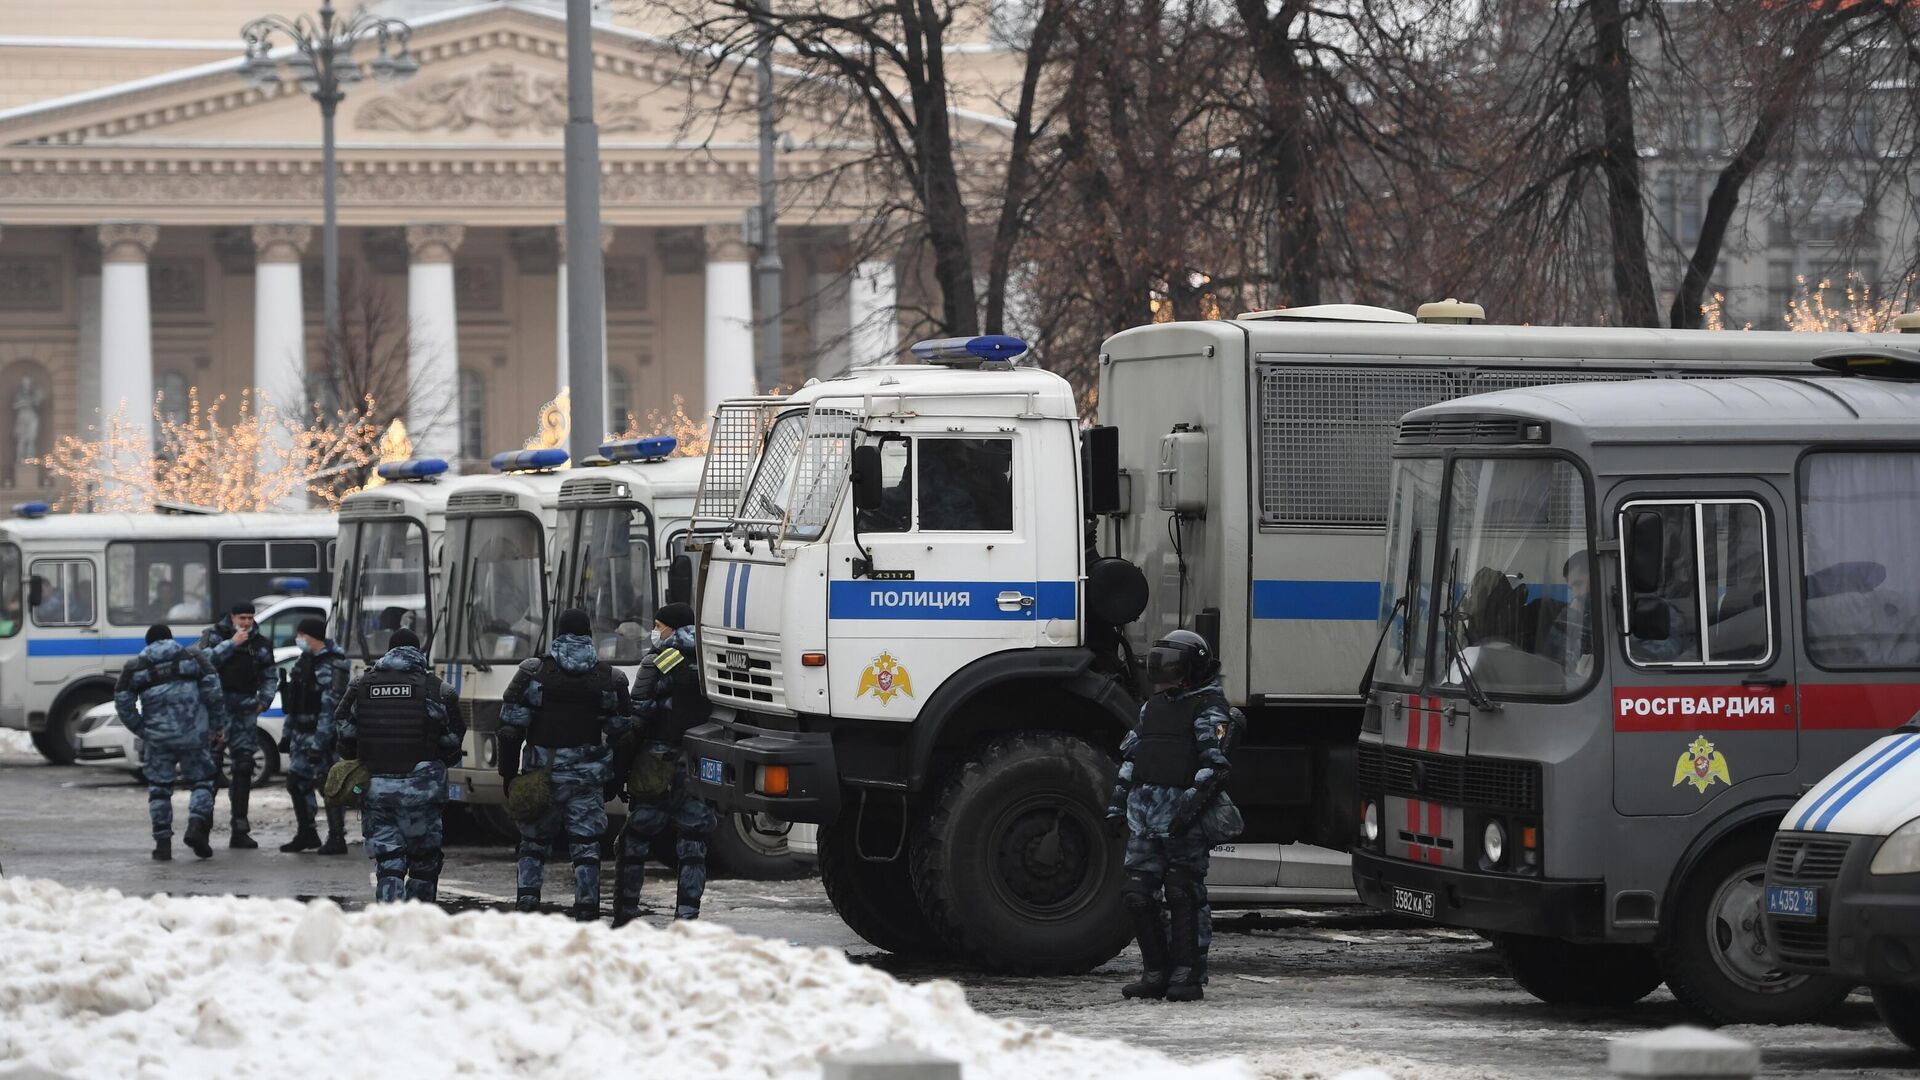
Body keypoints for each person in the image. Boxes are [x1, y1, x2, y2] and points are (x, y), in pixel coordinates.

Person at [1105, 629, 1233, 1003]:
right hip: (1145, 817)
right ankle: (1155, 972)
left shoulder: (1209, 708)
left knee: (1183, 893)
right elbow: (1132, 758)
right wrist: (1117, 803)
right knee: (1137, 895)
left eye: (1172, 668)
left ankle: (1187, 974)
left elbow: (1215, 769)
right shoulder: (1153, 707)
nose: (1164, 677)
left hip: (1183, 822)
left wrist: (1188, 812)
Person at [498, 607, 633, 920]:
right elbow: (623, 735)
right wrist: (616, 779)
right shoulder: (610, 678)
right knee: (586, 848)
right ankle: (587, 908)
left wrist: (508, 775)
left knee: (532, 844)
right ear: (589, 635)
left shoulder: (533, 673)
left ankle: (527, 906)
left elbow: (508, 730)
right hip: (586, 782)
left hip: (540, 778)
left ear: (558, 634)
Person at [332, 627, 464, 904]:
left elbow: (343, 730)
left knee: (389, 861)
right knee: (424, 863)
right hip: (424, 792)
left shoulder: (361, 685)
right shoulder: (438, 688)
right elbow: (454, 738)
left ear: (389, 652)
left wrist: (356, 760)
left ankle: (389, 921)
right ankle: (419, 923)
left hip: (377, 789)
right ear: (418, 652)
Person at [612, 601, 717, 925]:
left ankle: (626, 916)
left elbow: (637, 720)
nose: (655, 632)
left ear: (671, 627)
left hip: (657, 765)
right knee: (693, 843)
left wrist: (620, 772)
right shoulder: (712, 660)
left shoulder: (656, 661)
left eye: (658, 626)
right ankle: (687, 918)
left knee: (633, 841)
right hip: (702, 764)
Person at [113, 624, 228, 861]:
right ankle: (196, 826)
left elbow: (122, 702)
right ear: (170, 639)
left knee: (159, 790)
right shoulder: (192, 657)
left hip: (158, 737)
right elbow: (213, 690)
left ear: (149, 643)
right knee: (203, 781)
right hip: (193, 734)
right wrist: (217, 725)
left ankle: (162, 844)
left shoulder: (135, 666)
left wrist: (141, 728)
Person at [198, 602, 278, 849]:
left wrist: (263, 701)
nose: (246, 623)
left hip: (245, 711)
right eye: (242, 617)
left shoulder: (260, 643)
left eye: (250, 618)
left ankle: (240, 828)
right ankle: (201, 829)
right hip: (218, 711)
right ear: (232, 617)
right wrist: (230, 644)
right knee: (210, 768)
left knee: (244, 766)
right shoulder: (214, 636)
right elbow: (202, 663)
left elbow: (269, 674)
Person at [279, 617, 352, 855]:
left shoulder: (333, 665)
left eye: (300, 635)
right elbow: (295, 703)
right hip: (301, 735)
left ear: (308, 636)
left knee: (328, 787)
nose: (298, 640)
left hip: (323, 738)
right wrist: (287, 736)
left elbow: (330, 710)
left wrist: (319, 744)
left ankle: (337, 837)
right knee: (296, 783)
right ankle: (307, 833)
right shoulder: (305, 661)